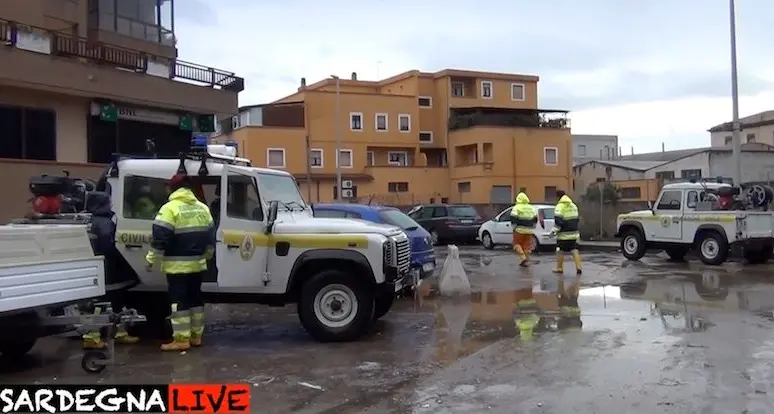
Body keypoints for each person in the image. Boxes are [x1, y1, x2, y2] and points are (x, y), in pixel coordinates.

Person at [145, 173, 215, 352]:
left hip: (177, 266)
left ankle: (181, 339)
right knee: (196, 300)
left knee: (179, 302)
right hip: (198, 264)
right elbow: (211, 237)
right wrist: (206, 256)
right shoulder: (203, 208)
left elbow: (160, 237)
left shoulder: (170, 208)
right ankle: (196, 336)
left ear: (172, 188)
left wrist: (151, 259)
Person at [82, 192, 140, 349]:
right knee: (107, 302)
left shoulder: (89, 220)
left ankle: (115, 333)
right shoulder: (105, 223)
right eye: (108, 202)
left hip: (99, 268)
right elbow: (109, 247)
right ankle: (92, 336)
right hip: (110, 270)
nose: (111, 205)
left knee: (109, 302)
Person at [550, 190, 582, 275]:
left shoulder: (559, 207)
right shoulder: (573, 206)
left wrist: (553, 232)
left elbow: (558, 222)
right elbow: (577, 219)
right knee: (574, 249)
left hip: (563, 234)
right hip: (574, 233)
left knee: (560, 250)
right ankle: (578, 267)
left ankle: (559, 268)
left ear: (558, 197)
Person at [509, 191, 537, 267]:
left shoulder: (517, 207)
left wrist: (514, 228)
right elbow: (535, 218)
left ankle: (523, 258)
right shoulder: (531, 208)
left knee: (516, 244)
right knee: (526, 246)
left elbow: (513, 218)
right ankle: (526, 261)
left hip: (519, 230)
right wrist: (533, 227)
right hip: (529, 230)